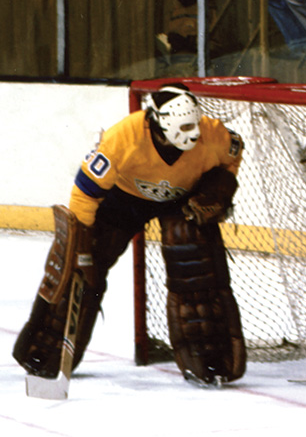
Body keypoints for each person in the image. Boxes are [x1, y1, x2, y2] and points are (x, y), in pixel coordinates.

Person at [13, 84, 247, 387]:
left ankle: (210, 358)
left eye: (196, 124)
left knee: (194, 263)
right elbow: (84, 193)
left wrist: (221, 184)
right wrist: (81, 248)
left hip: (182, 201)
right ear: (162, 122)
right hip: (123, 200)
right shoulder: (122, 138)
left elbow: (233, 156)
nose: (194, 133)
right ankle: (45, 352)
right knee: (82, 270)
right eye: (185, 127)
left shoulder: (213, 134)